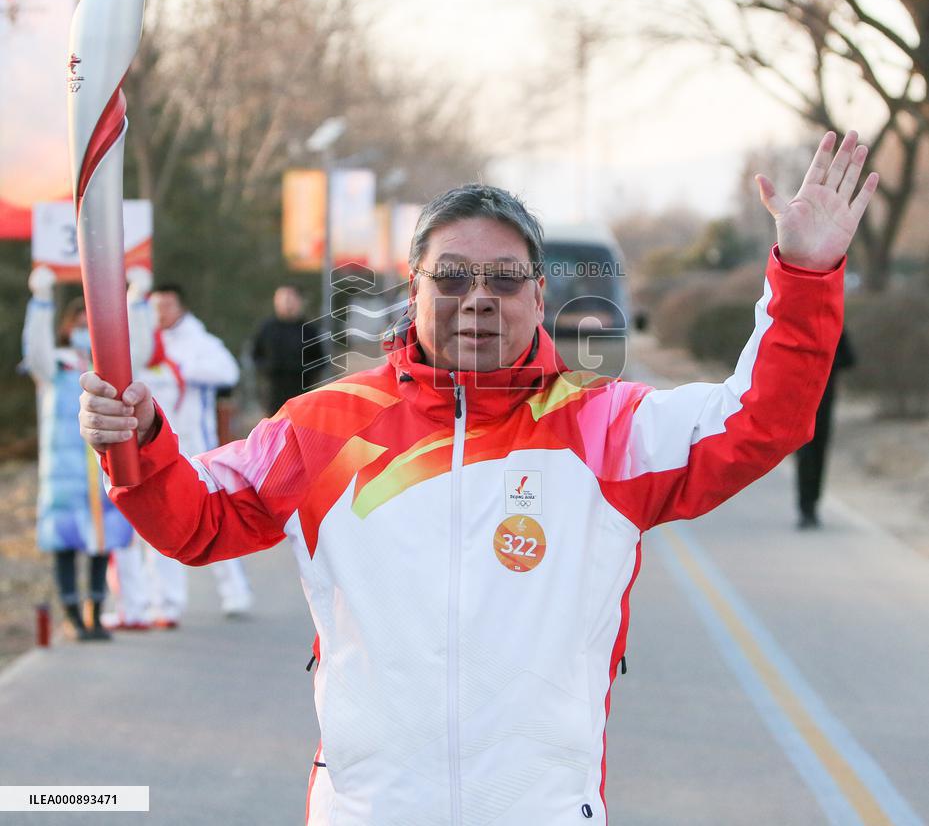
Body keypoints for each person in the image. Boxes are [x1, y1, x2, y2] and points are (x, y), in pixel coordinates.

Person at [80, 131, 877, 823]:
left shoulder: (606, 427)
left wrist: (804, 276)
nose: (477, 300)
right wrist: (142, 443)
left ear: (538, 293)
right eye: (452, 277)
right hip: (370, 809)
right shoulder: (321, 428)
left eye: (502, 280)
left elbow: (760, 419)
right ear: (414, 288)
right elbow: (195, 519)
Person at [22, 266, 151, 641]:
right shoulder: (54, 368)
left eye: (87, 321)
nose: (81, 327)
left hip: (100, 469)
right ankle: (73, 617)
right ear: (66, 326)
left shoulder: (105, 369)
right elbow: (35, 351)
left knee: (102, 543)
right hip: (63, 476)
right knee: (64, 545)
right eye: (76, 321)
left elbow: (137, 351)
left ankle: (96, 615)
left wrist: (137, 301)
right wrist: (41, 301)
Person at [136, 284, 253, 624]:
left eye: (167, 305)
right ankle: (167, 603)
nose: (161, 312)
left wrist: (181, 369)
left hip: (199, 448)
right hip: (159, 448)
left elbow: (229, 372)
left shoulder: (200, 341)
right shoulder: (143, 345)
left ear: (180, 306)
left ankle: (235, 593)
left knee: (218, 522)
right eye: (155, 306)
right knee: (161, 524)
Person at [795, 329, 856, 528]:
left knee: (819, 452)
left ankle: (813, 505)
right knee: (805, 455)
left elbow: (850, 359)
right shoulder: (796, 326)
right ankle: (805, 508)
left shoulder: (835, 327)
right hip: (800, 406)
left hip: (824, 403)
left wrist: (827, 360)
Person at [252, 285, 328, 415]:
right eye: (282, 299)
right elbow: (256, 355)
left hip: (301, 392)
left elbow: (320, 361)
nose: (287, 303)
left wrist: (302, 370)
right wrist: (268, 368)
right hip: (273, 392)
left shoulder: (308, 330)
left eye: (290, 299)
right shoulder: (267, 328)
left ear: (298, 302)